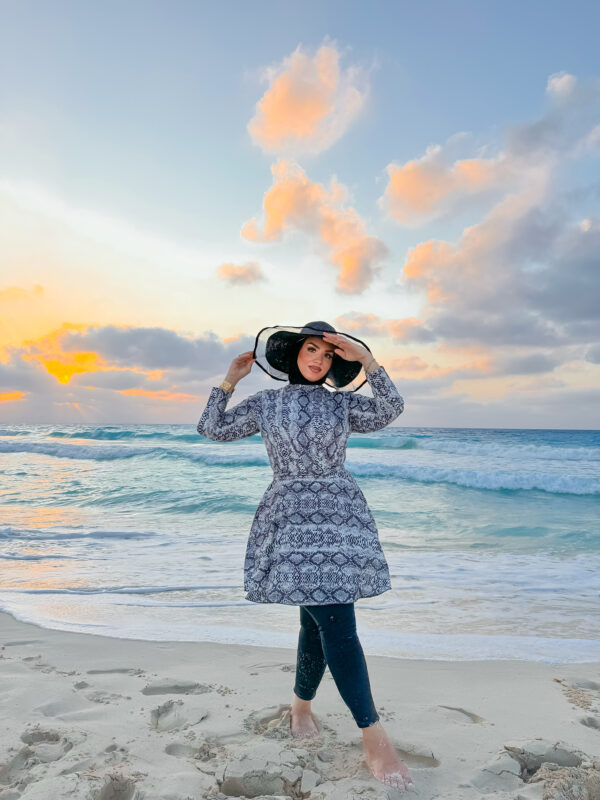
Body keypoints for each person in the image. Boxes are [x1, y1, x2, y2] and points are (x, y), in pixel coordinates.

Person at [197, 321, 414, 792]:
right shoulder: (268, 403)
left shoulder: (341, 405)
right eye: (311, 349)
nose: (318, 359)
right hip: (290, 517)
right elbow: (211, 428)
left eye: (329, 355)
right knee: (331, 620)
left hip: (339, 515)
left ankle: (301, 708)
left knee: (322, 620)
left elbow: (392, 407)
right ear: (295, 353)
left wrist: (368, 360)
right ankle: (373, 738)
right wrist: (230, 379)